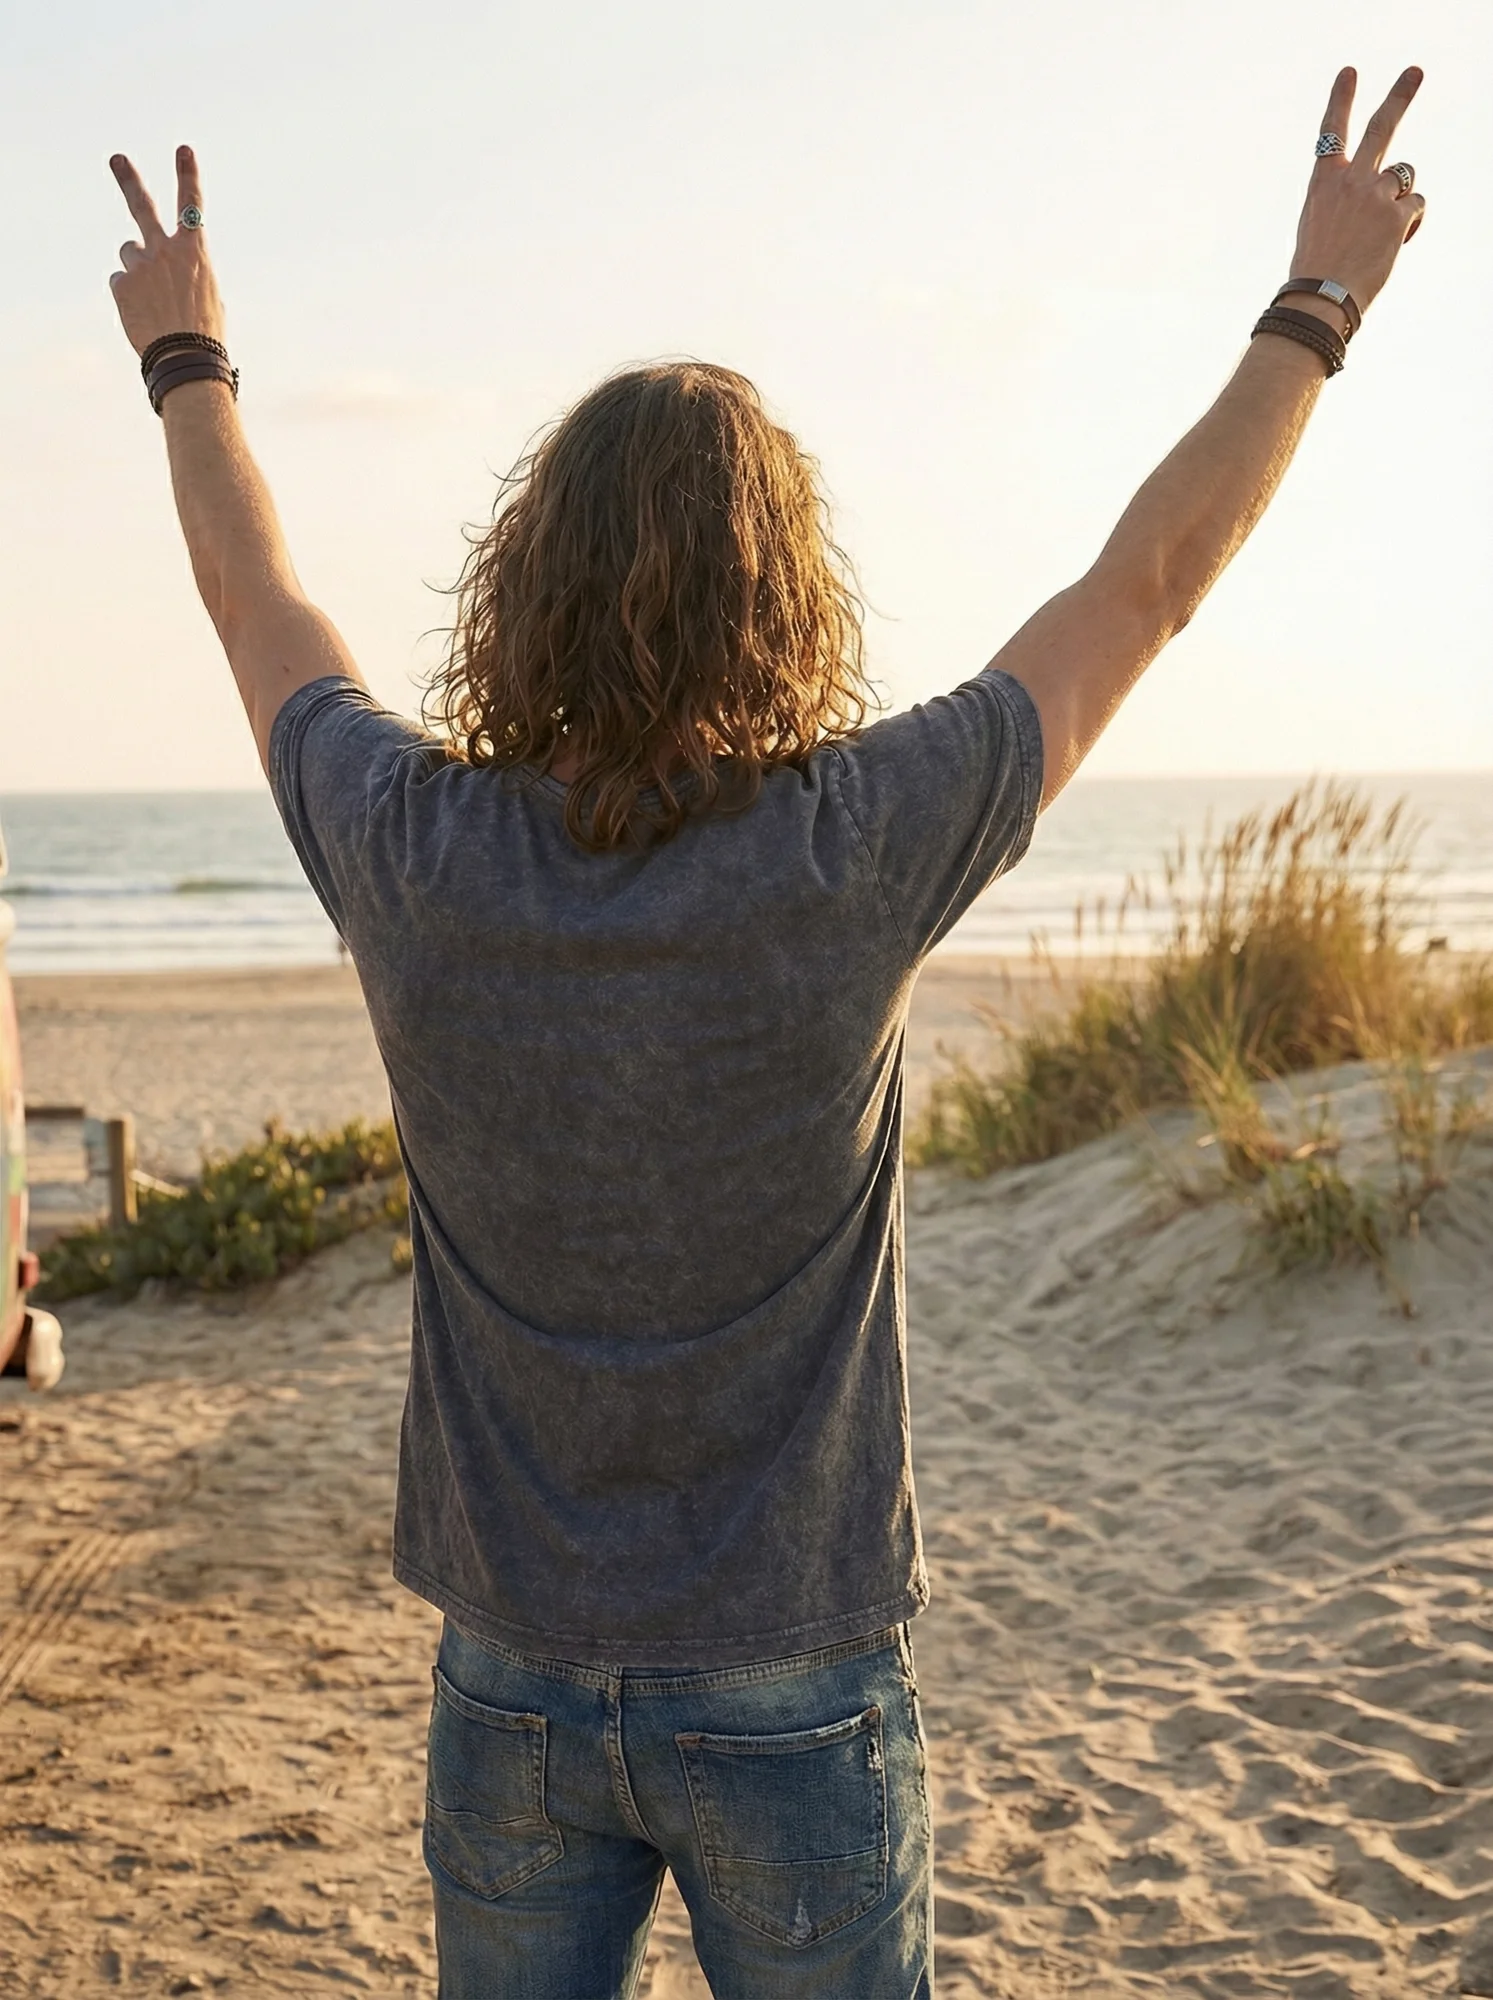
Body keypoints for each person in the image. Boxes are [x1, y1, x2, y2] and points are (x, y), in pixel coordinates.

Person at [105, 64, 1425, 2000]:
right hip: (792, 1680)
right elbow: (1140, 585)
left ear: (519, 581)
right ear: (784, 589)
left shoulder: (409, 842)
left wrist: (187, 357)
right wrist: (1316, 305)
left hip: (514, 1680)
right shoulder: (854, 840)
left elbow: (254, 604)